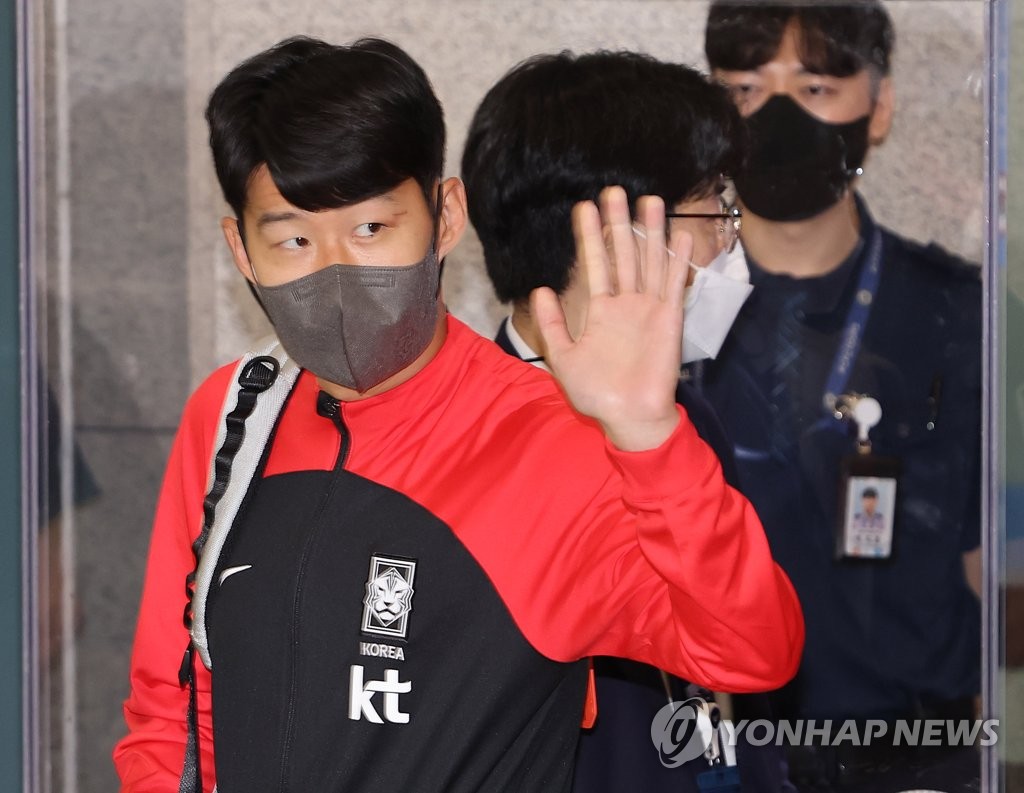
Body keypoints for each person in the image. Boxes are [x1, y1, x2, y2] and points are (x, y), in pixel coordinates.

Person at [112, 35, 803, 793]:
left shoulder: (551, 441)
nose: (336, 270)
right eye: (294, 240)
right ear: (241, 250)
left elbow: (749, 650)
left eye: (372, 229)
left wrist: (649, 434)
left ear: (445, 218)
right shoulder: (231, 416)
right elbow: (171, 711)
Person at [462, 50, 791, 793]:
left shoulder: (686, 415)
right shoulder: (476, 447)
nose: (728, 240)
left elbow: (750, 670)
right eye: (712, 205)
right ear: (617, 234)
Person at [699, 2, 983, 789]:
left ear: (879, 107)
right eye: (747, 88)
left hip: (921, 753)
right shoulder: (668, 307)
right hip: (721, 752)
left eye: (817, 87)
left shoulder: (960, 311)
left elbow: (989, 560)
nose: (777, 116)